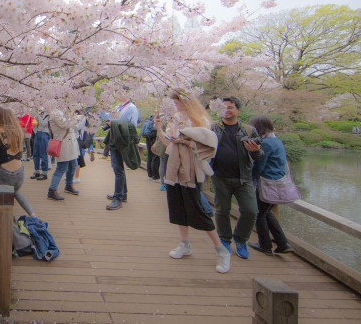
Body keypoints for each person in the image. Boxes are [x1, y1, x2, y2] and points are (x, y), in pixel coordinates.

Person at [154, 89, 231, 274]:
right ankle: (184, 243)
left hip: (191, 170)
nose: (175, 106)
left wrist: (186, 141)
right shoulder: (174, 119)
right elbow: (168, 142)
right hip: (174, 168)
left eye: (177, 102)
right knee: (178, 207)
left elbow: (207, 145)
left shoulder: (201, 120)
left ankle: (221, 250)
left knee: (197, 208)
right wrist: (158, 127)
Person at [211, 96, 262, 260]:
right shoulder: (213, 128)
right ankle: (224, 239)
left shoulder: (248, 130)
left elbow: (259, 154)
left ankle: (240, 239)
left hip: (243, 177)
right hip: (219, 176)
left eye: (230, 107)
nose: (226, 110)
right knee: (221, 210)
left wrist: (254, 151)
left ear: (238, 110)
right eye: (223, 107)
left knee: (250, 210)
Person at [248, 115, 294, 255]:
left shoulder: (266, 143)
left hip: (267, 182)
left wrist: (250, 179)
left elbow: (260, 165)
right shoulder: (276, 141)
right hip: (277, 181)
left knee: (259, 214)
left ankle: (265, 245)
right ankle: (283, 243)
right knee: (266, 212)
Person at [0, 107, 35, 217]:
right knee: (14, 190)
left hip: (5, 175)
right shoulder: (18, 132)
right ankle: (32, 214)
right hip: (20, 174)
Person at [104, 87, 140, 209]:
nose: (118, 95)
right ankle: (122, 194)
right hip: (115, 139)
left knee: (118, 169)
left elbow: (133, 126)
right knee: (118, 168)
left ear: (128, 94)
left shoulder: (132, 108)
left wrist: (113, 123)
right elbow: (109, 118)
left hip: (122, 141)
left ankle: (118, 198)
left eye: (121, 93)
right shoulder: (118, 106)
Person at [46, 109, 81, 201]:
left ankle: (69, 185)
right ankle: (52, 190)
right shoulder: (55, 112)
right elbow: (65, 124)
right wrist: (76, 118)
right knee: (62, 167)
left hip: (70, 143)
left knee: (73, 165)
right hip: (63, 143)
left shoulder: (64, 110)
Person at [30, 110, 50, 180]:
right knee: (35, 153)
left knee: (43, 153)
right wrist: (36, 132)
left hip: (45, 133)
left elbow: (44, 123)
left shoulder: (49, 114)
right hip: (38, 133)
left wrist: (39, 117)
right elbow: (34, 124)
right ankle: (36, 171)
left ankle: (44, 172)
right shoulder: (38, 113)